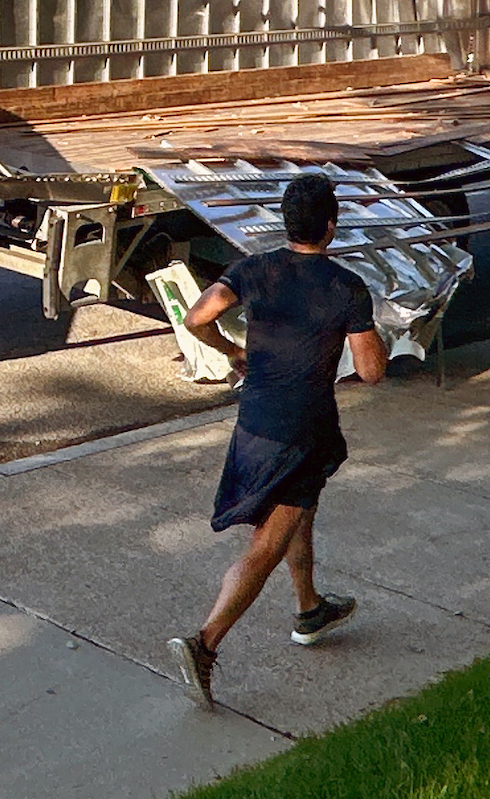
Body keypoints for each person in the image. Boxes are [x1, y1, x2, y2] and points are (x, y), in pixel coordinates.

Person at [167, 173, 390, 706]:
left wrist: (230, 350)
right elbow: (372, 371)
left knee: (300, 513)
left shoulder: (253, 270)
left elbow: (197, 316)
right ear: (331, 227)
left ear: (286, 225)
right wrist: (367, 328)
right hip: (301, 431)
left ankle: (310, 609)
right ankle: (204, 643)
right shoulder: (346, 287)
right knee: (267, 543)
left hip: (254, 423)